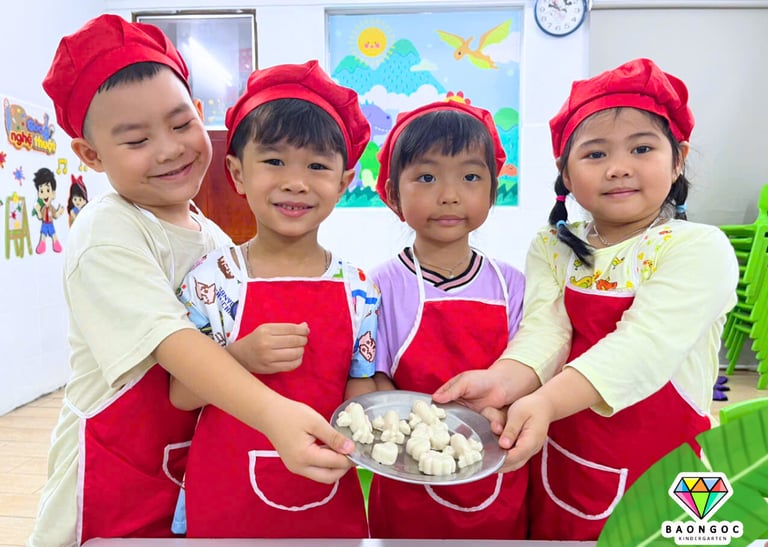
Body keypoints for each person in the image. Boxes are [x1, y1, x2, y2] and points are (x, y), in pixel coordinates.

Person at [30, 16, 355, 546]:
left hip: (188, 475)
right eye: (137, 139)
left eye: (181, 125)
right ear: (91, 155)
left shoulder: (213, 239)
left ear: (200, 115)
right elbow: (175, 343)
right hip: (111, 479)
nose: (169, 149)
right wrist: (274, 414)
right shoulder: (107, 232)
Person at [434, 58, 739, 540]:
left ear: (678, 158)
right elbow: (546, 331)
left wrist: (545, 402)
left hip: (667, 469)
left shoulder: (698, 248)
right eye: (595, 154)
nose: (618, 168)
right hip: (566, 460)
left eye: (642, 148)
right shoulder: (554, 245)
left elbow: (642, 348)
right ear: (566, 174)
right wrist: (502, 382)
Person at [169, 60, 379, 538]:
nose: (296, 182)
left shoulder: (360, 289)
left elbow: (360, 385)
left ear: (344, 182)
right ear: (237, 173)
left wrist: (373, 429)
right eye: (274, 161)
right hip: (226, 497)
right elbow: (180, 395)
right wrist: (239, 357)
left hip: (326, 487)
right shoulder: (212, 280)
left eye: (317, 166)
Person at [368, 100, 528, 539]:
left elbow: (527, 374)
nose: (450, 195)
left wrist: (497, 418)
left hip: (496, 468)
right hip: (407, 471)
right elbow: (375, 380)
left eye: (470, 177)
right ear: (393, 193)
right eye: (427, 177)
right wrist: (414, 438)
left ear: (493, 191)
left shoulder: (512, 284)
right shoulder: (378, 285)